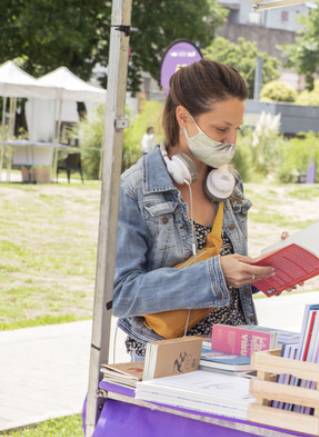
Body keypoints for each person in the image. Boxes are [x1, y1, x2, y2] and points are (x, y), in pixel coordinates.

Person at [112, 60, 276, 360]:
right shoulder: (135, 188)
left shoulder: (228, 183)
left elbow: (227, 287)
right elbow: (122, 295)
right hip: (169, 362)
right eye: (222, 129)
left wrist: (267, 271)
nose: (232, 141)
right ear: (184, 117)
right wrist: (215, 273)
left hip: (233, 357)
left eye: (237, 129)